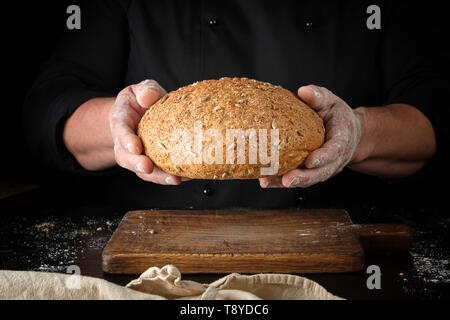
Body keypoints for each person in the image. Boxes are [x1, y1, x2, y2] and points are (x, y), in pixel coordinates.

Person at [23, 1, 448, 209]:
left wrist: (357, 133)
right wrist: (117, 127)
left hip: (339, 247)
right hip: (157, 259)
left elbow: (435, 113)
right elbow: (47, 107)